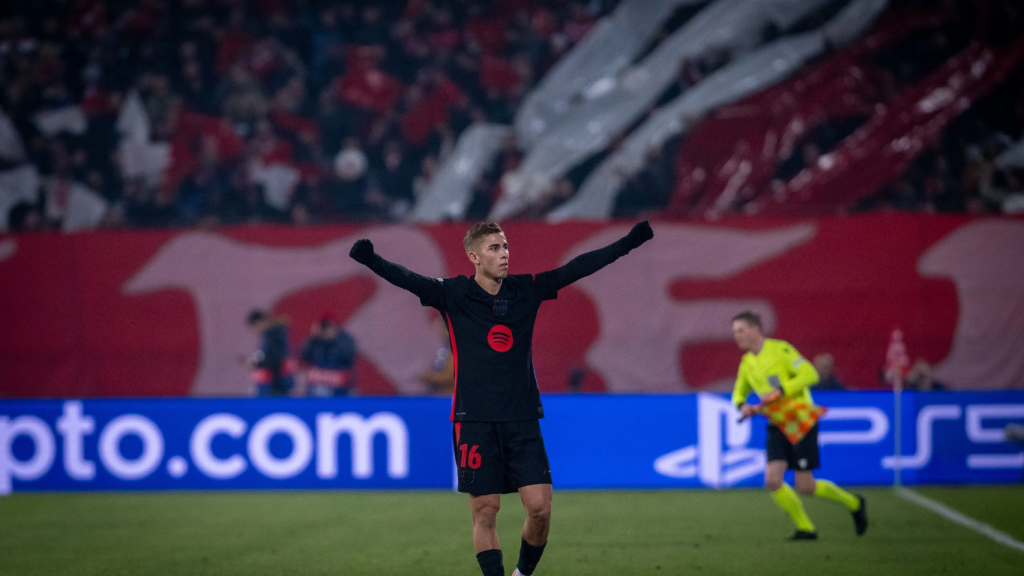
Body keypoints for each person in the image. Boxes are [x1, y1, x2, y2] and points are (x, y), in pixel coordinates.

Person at [349, 220, 654, 576]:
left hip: (522, 417)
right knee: (486, 511)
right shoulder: (454, 293)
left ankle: (522, 573)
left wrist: (626, 244)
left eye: (506, 246)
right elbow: (408, 278)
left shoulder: (526, 290)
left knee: (540, 509)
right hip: (474, 418)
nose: (505, 254)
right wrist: (373, 260)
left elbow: (576, 268)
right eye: (495, 248)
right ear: (474, 256)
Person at [731, 311, 867, 540]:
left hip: (799, 421)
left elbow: (810, 374)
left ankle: (854, 502)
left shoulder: (781, 350)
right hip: (777, 424)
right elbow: (738, 392)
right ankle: (806, 528)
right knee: (772, 480)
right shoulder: (747, 362)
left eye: (741, 330)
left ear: (755, 329)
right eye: (734, 332)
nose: (737, 336)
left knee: (805, 486)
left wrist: (782, 390)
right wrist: (742, 405)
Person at [300, 313, 357, 396]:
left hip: (339, 388)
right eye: (324, 326)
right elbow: (304, 355)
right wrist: (312, 337)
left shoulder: (345, 339)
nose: (326, 329)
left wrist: (334, 339)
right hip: (317, 387)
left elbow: (348, 356)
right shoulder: (315, 340)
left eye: (329, 326)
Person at [243, 309, 295, 397]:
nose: (254, 331)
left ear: (259, 323)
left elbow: (273, 357)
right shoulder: (270, 335)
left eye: (254, 327)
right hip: (274, 381)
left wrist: (256, 363)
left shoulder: (275, 335)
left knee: (272, 407)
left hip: (275, 381)